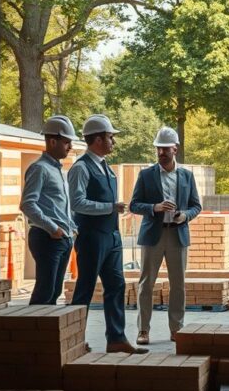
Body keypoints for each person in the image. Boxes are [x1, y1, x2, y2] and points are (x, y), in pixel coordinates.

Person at [68, 114, 145, 354]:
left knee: (116, 286)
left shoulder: (106, 168)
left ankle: (116, 339)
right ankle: (73, 340)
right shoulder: (81, 168)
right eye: (110, 137)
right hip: (91, 237)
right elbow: (77, 203)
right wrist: (109, 208)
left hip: (111, 236)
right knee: (85, 288)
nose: (114, 142)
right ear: (98, 139)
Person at [129, 127, 203, 344]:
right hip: (153, 235)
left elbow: (196, 205)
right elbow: (134, 204)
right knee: (146, 284)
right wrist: (155, 207)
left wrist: (185, 216)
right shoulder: (145, 175)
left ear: (175, 149)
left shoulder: (187, 176)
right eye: (158, 149)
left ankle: (176, 328)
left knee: (178, 284)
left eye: (165, 149)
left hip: (177, 235)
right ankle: (143, 330)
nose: (161, 153)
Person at [20, 115, 78, 305]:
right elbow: (27, 204)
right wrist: (53, 228)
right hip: (46, 237)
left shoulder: (59, 171)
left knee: (54, 291)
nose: (70, 147)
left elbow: (59, 206)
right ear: (53, 141)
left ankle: (47, 332)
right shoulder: (39, 169)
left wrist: (71, 227)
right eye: (67, 142)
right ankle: (34, 332)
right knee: (45, 291)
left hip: (62, 238)